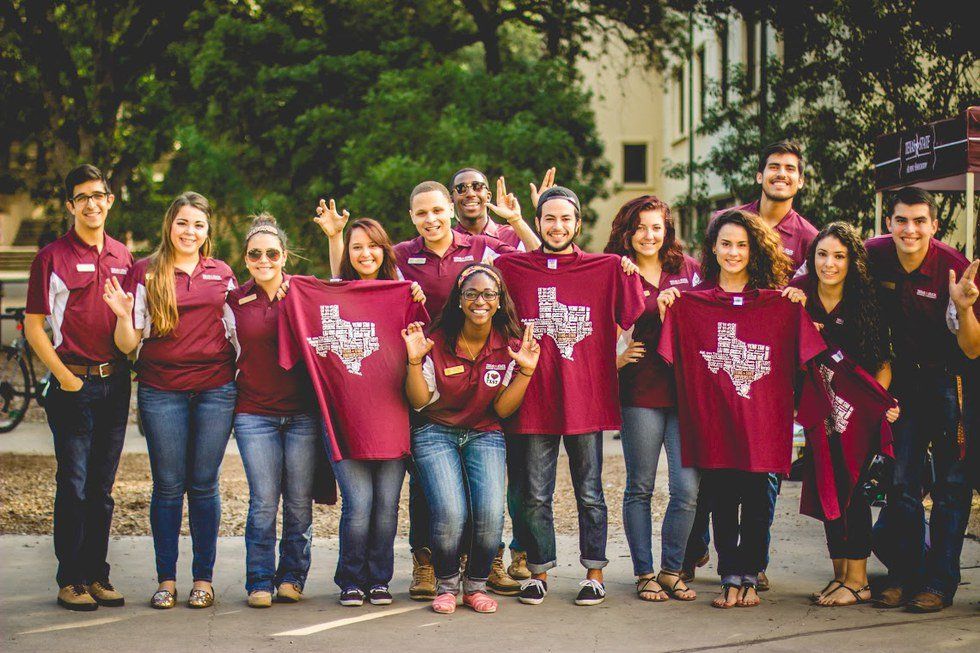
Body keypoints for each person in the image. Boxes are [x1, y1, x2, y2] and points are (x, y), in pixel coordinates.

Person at [494, 186, 645, 606]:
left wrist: (629, 272)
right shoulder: (511, 267)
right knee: (535, 494)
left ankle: (594, 573)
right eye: (549, 219)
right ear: (538, 223)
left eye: (565, 219)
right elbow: (476, 292)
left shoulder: (606, 267)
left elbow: (635, 311)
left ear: (578, 224)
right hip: (535, 399)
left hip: (584, 398)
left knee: (590, 492)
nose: (557, 226)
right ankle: (538, 572)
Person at [658, 209, 816, 609]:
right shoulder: (692, 303)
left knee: (760, 499)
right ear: (713, 247)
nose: (733, 252)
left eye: (742, 245)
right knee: (723, 498)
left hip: (763, 420)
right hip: (716, 421)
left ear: (755, 249)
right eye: (725, 244)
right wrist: (670, 304)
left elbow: (809, 353)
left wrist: (797, 302)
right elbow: (668, 353)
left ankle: (750, 574)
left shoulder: (779, 304)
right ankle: (730, 575)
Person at [279, 217, 428, 607]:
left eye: (372, 245)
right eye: (356, 246)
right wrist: (287, 286)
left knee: (386, 507)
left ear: (385, 249)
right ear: (347, 253)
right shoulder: (335, 293)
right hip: (344, 417)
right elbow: (308, 301)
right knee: (358, 505)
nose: (365, 254)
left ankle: (379, 579)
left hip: (392, 415)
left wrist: (415, 296)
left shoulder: (403, 294)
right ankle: (351, 579)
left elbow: (422, 343)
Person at [103, 192, 237, 610]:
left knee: (203, 484)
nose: (190, 232)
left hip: (216, 389)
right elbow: (128, 345)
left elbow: (240, 331)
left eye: (198, 224)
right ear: (170, 225)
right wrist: (124, 317)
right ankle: (166, 580)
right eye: (183, 223)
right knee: (167, 485)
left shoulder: (222, 273)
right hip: (162, 390)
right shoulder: (146, 271)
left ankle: (203, 579)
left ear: (207, 230)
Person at [865, 187, 979, 613]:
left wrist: (965, 308)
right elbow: (820, 268)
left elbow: (972, 349)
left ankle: (940, 580)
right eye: (901, 220)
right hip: (901, 384)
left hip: (951, 383)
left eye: (919, 221)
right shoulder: (873, 255)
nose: (909, 229)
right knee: (901, 483)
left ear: (934, 225)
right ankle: (904, 574)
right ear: (888, 223)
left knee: (952, 485)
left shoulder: (956, 268)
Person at [24, 164, 133, 611]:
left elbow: (131, 325)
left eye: (99, 195)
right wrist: (64, 376)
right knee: (74, 483)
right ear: (71, 206)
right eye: (82, 197)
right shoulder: (50, 257)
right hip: (72, 384)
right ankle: (71, 578)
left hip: (115, 382)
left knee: (103, 488)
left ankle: (97, 575)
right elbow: (33, 326)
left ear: (109, 201)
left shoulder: (125, 258)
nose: (92, 203)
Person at [403, 263, 539, 614]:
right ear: (459, 300)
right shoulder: (436, 339)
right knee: (451, 512)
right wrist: (415, 362)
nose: (480, 300)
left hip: (484, 432)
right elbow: (419, 401)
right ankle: (447, 584)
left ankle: (475, 585)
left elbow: (504, 409)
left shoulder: (509, 344)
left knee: (490, 513)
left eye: (489, 294)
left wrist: (525, 370)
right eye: (471, 294)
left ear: (499, 301)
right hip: (435, 430)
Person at [789, 222, 900, 606]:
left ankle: (859, 580)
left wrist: (880, 403)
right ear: (811, 257)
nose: (829, 263)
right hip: (819, 411)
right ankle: (840, 575)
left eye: (839, 256)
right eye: (822, 254)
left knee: (851, 491)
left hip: (859, 412)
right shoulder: (800, 294)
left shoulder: (864, 300)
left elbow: (883, 362)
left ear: (852, 261)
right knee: (827, 489)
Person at [603, 195, 701, 602]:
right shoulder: (616, 271)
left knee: (687, 488)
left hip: (686, 394)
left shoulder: (688, 270)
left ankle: (672, 570)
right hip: (640, 393)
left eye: (656, 227)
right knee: (640, 487)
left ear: (668, 230)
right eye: (640, 227)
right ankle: (644, 572)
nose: (648, 235)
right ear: (626, 232)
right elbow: (597, 326)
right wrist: (617, 358)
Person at [223, 214, 321, 608]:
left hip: (302, 414)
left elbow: (353, 290)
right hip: (254, 413)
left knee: (298, 501)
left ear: (285, 256)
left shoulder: (304, 291)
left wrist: (411, 291)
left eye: (272, 253)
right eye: (255, 254)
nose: (264, 260)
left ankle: (293, 575)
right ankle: (259, 579)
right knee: (263, 499)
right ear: (245, 258)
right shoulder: (233, 300)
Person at [450, 168, 542, 251]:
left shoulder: (513, 235)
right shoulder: (448, 241)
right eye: (461, 188)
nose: (470, 194)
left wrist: (516, 219)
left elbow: (541, 261)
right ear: (452, 199)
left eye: (477, 186)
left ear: (488, 196)